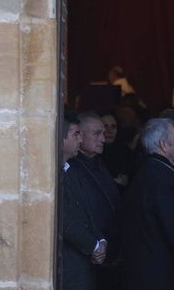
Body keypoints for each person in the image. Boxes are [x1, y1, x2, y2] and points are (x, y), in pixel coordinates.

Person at [120, 118, 174, 290]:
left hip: (140, 268)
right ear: (163, 145)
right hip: (160, 274)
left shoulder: (147, 170)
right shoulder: (163, 179)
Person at [66, 112, 122, 290]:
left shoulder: (99, 163)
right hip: (88, 254)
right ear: (80, 136)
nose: (103, 139)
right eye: (97, 134)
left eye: (103, 133)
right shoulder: (71, 169)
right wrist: (96, 244)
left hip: (108, 250)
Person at [61, 115, 107, 290]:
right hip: (70, 265)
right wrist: (93, 245)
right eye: (75, 134)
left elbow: (87, 210)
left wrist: (101, 240)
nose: (80, 139)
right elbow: (62, 217)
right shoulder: (52, 175)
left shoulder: (71, 172)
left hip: (85, 265)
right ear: (61, 137)